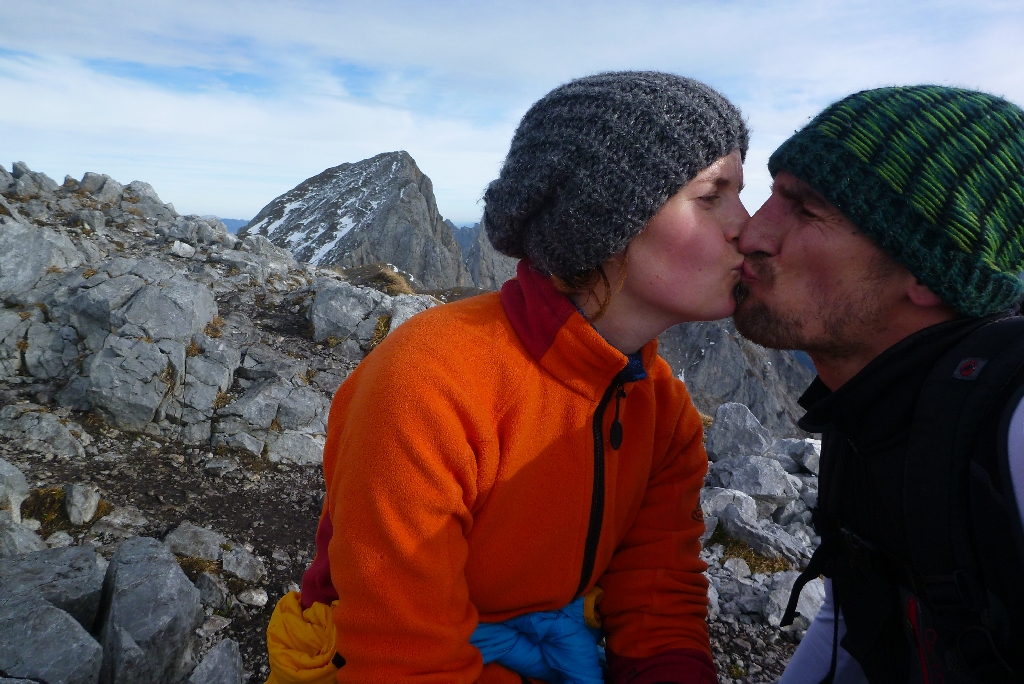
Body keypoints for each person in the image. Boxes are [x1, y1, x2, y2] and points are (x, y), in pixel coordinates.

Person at [264, 71, 750, 683]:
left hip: (545, 647)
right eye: (711, 196)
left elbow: (658, 599)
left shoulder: (663, 408)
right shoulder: (430, 382)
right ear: (606, 220)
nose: (749, 226)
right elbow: (404, 656)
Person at [733, 85, 1024, 683]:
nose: (751, 233)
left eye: (807, 208)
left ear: (929, 268)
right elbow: (857, 617)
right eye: (772, 194)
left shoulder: (1010, 425)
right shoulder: (871, 408)